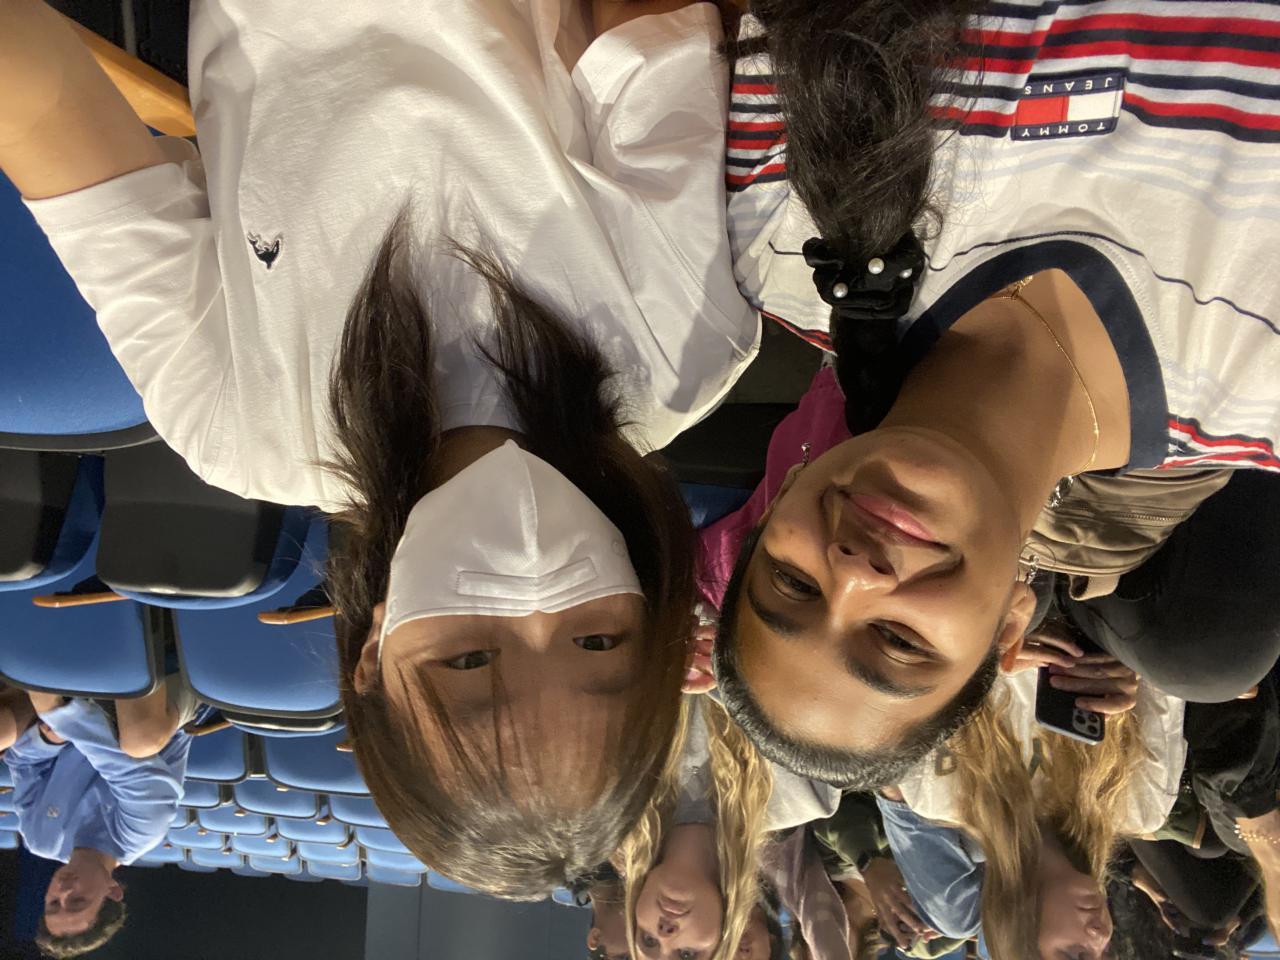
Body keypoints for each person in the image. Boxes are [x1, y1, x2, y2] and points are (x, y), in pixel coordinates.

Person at [0, 0, 759, 896]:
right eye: (597, 640)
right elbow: (643, 28)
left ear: (373, 658)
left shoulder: (241, 430)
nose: (534, 591)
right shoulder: (680, 352)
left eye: (469, 660)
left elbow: (49, 115)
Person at [710, 0, 1280, 789]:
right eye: (898, 641)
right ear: (1012, 626)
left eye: (794, 583)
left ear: (778, 504)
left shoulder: (777, 238)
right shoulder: (1260, 389)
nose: (853, 573)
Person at [618, 695, 840, 960]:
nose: (665, 934)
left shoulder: (610, 785)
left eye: (648, 941)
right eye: (686, 954)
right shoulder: (803, 795)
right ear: (726, 935)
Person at [2, 684, 199, 958]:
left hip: (64, 713)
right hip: (151, 709)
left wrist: (48, 742)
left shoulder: (39, 840)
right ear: (113, 891)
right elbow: (128, 772)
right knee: (140, 741)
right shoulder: (139, 835)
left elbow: (23, 764)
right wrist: (62, 717)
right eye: (77, 901)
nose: (64, 890)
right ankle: (134, 660)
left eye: (53, 903)